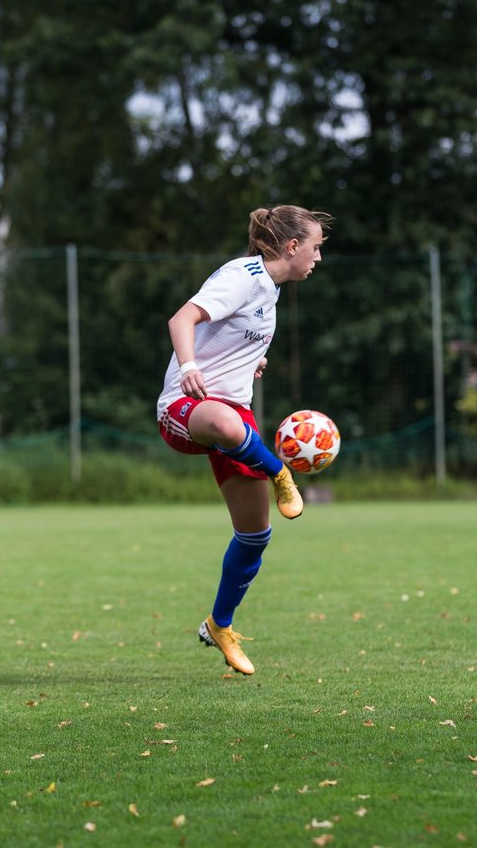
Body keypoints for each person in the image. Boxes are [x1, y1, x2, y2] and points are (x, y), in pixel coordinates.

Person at [157, 204, 331, 676]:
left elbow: (231, 337)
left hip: (230, 413)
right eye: (315, 247)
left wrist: (253, 361)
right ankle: (280, 470)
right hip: (186, 409)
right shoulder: (244, 275)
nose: (318, 257)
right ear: (292, 246)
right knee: (234, 429)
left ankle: (219, 624)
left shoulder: (270, 293)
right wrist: (190, 367)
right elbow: (181, 320)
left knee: (255, 536)